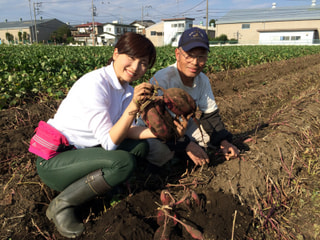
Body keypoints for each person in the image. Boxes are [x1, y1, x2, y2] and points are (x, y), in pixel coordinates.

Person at [35, 32, 161, 238]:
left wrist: (159, 133)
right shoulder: (95, 85)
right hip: (56, 160)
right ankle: (61, 205)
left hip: (84, 152)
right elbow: (110, 142)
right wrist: (133, 106)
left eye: (143, 63)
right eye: (131, 57)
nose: (136, 67)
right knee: (123, 162)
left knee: (140, 147)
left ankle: (104, 187)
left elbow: (124, 130)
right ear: (115, 53)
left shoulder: (126, 90)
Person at [144, 27, 239, 169]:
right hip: (153, 128)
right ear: (177, 54)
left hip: (182, 126)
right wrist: (185, 144)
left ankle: (181, 156)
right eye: (189, 55)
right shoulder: (162, 80)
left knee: (207, 140)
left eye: (201, 56)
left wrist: (224, 141)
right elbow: (156, 121)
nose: (195, 62)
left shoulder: (202, 80)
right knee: (161, 153)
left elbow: (210, 115)